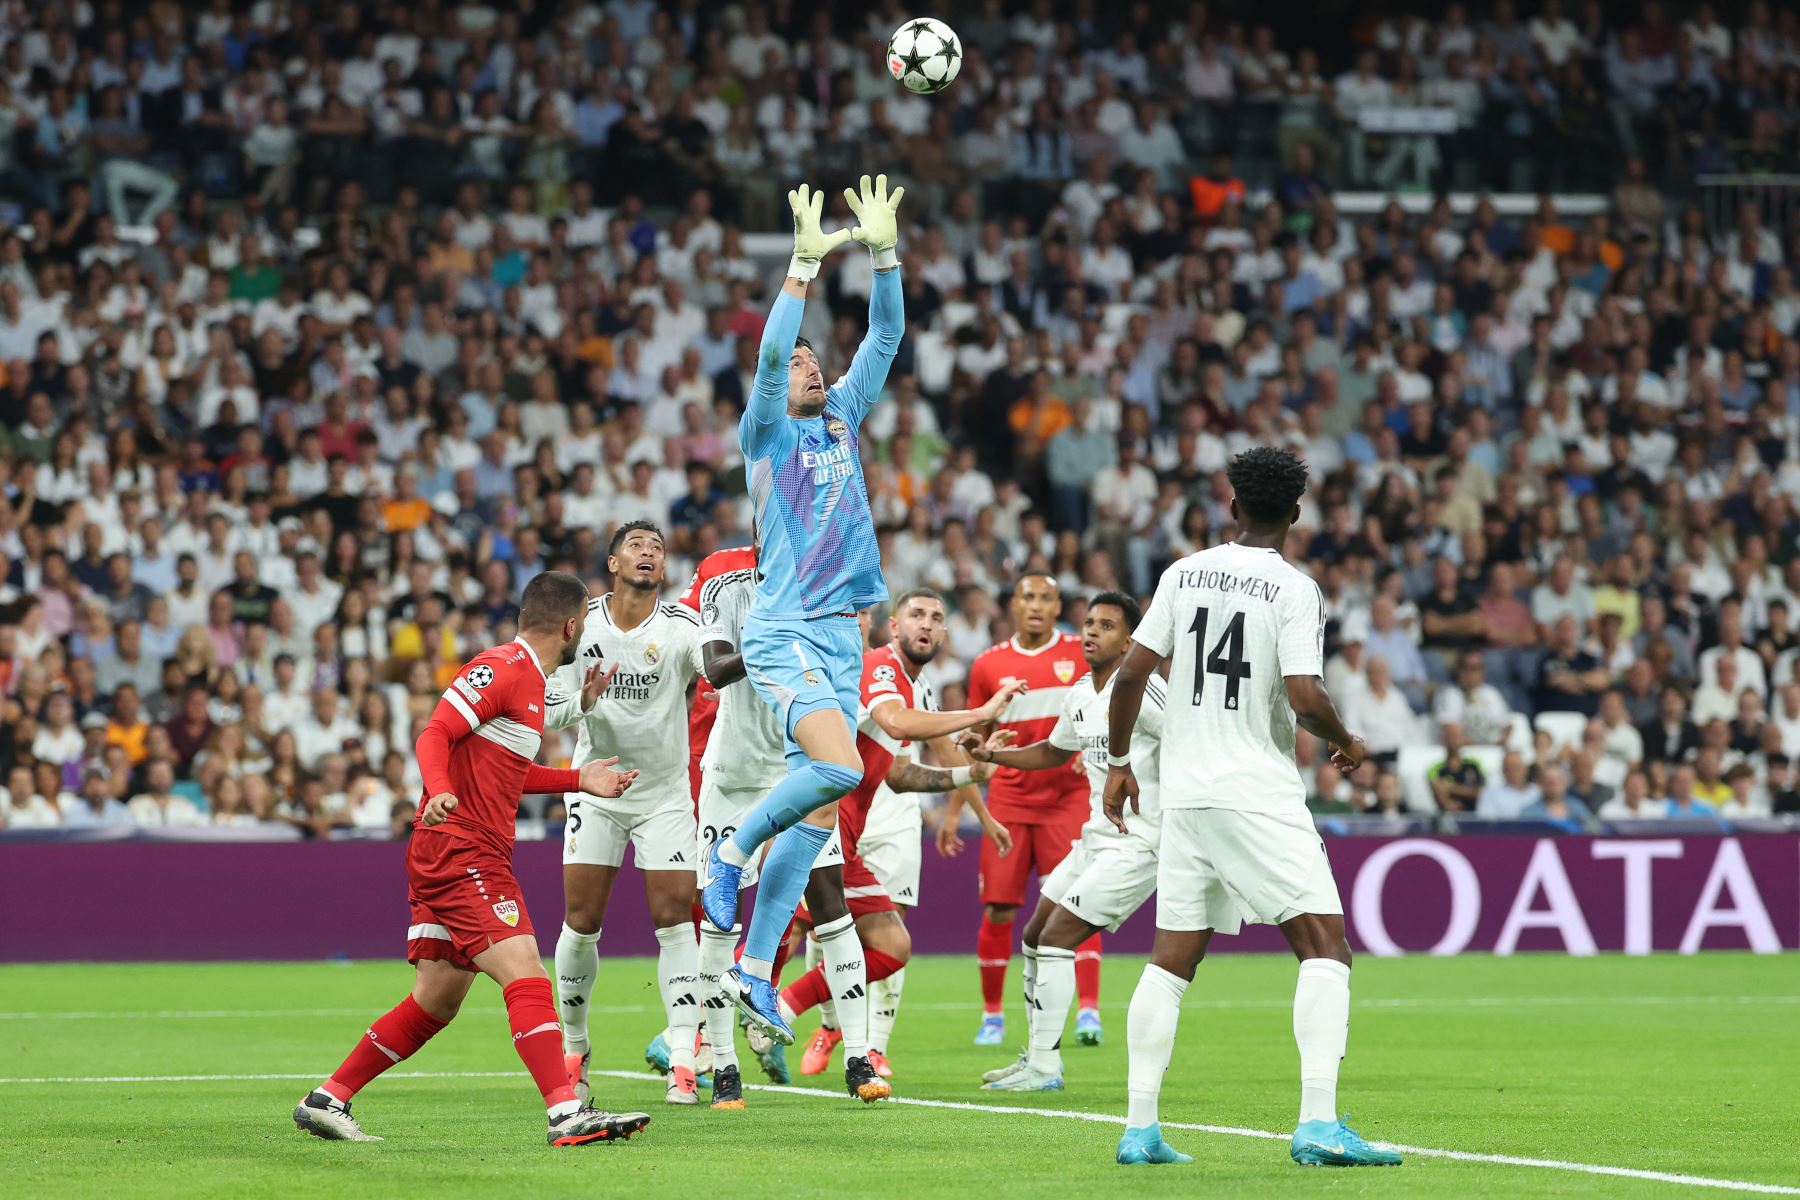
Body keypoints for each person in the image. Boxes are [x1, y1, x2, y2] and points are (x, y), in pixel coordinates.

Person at [1103, 446, 1401, 1168]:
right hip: (1254, 790)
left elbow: (1132, 673)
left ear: (1232, 506)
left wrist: (1117, 764)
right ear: (1297, 514)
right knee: (1326, 947)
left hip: (1186, 792)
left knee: (1171, 959)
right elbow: (1304, 696)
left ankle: (1140, 1129)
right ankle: (1319, 1123)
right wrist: (1349, 741)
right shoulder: (1295, 590)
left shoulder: (1182, 572)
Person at [293, 571, 649, 1147]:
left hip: (455, 846)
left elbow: (509, 773)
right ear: (570, 624)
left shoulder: (532, 685)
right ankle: (566, 1111)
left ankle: (328, 1098)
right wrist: (437, 790)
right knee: (527, 970)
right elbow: (433, 733)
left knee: (435, 1000)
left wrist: (580, 779)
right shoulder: (502, 667)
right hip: (463, 847)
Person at [699, 176, 908, 1046]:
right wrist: (801, 268)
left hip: (841, 635)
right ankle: (727, 854)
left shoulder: (844, 421)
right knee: (838, 772)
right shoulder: (769, 435)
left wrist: (885, 256)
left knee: (819, 815)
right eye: (797, 363)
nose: (811, 367)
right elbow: (765, 358)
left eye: (814, 359)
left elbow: (888, 334)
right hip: (782, 629)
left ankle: (751, 969)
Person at [776, 590, 1012, 1095]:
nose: (926, 624)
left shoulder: (910, 684)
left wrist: (972, 773)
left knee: (886, 942)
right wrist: (980, 712)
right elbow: (895, 722)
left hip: (846, 833)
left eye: (936, 618)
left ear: (944, 635)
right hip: (823, 821)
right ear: (894, 627)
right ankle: (718, 1036)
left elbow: (902, 774)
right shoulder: (880, 668)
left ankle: (787, 1016)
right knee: (803, 932)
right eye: (916, 615)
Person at [960, 591, 1163, 1093]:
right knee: (1032, 937)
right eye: (1090, 623)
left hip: (1141, 842)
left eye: (1108, 626)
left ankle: (1047, 1067)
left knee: (1056, 940)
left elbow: (1193, 743)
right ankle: (1035, 1055)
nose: (1093, 632)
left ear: (1130, 640)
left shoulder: (1148, 692)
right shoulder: (1080, 693)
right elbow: (1053, 752)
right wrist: (993, 756)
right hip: (1095, 837)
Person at [543, 522, 708, 1107]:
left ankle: (684, 1059)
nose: (649, 554)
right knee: (582, 920)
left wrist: (742, 650)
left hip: (664, 795)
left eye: (658, 548)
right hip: (596, 789)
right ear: (613, 562)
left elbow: (715, 666)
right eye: (637, 546)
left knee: (673, 918)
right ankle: (575, 1047)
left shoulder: (683, 625)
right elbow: (549, 711)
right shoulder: (580, 623)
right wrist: (582, 700)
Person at [961, 573, 1095, 1048]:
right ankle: (993, 1016)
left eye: (1046, 597)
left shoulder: (1083, 652)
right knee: (998, 909)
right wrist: (964, 806)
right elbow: (972, 742)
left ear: (1059, 604)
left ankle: (1088, 1011)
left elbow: (1111, 708)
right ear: (1013, 605)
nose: (1037, 606)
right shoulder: (987, 665)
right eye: (1028, 597)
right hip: (1010, 799)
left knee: (1079, 899)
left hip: (1068, 797)